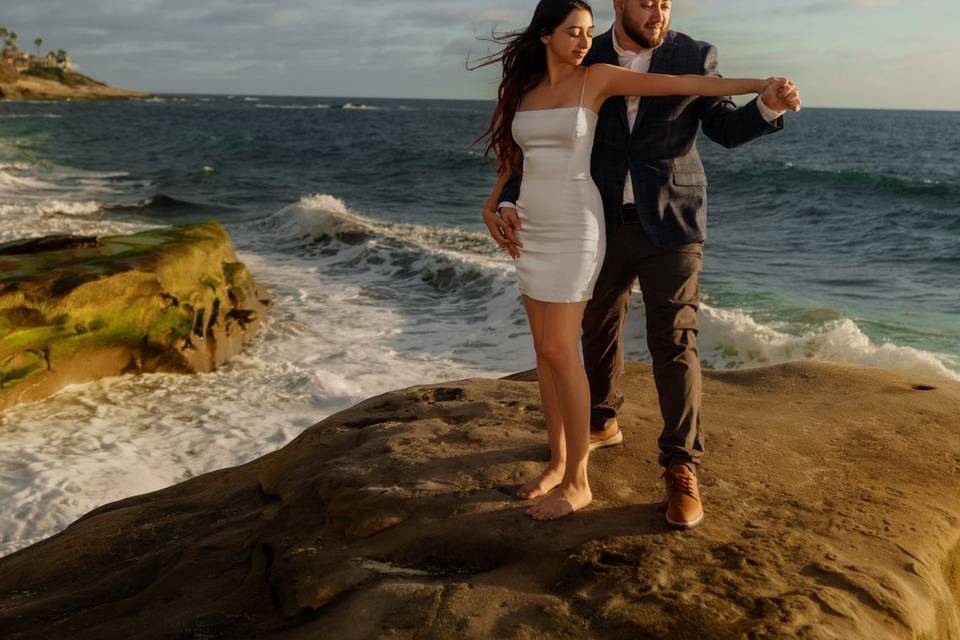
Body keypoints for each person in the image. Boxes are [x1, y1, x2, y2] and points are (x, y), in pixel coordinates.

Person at [476, 0, 800, 523]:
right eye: (648, 2)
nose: (659, 13)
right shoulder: (585, 54)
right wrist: (505, 201)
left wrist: (766, 100)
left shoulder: (691, 54)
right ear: (620, 4)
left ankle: (680, 467)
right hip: (597, 218)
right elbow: (532, 149)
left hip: (670, 218)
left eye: (666, 4)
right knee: (592, 334)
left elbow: (722, 125)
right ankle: (598, 425)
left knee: (672, 339)